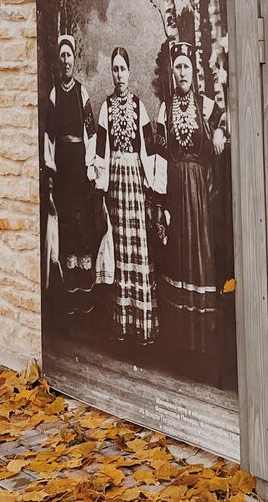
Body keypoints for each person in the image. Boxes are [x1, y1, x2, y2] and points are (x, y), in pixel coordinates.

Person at [161, 40, 226, 377]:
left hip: (199, 194)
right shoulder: (165, 108)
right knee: (179, 260)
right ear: (172, 73)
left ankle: (205, 352)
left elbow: (225, 120)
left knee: (200, 260)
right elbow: (158, 156)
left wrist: (218, 131)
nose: (182, 72)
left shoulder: (205, 103)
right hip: (175, 193)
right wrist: (162, 205)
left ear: (194, 71)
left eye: (186, 67)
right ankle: (182, 351)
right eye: (178, 68)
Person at [92, 47, 164, 345]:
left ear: (130, 72)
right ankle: (122, 327)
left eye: (123, 69)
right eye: (115, 69)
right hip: (115, 187)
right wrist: (101, 189)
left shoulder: (139, 106)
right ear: (111, 72)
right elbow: (100, 153)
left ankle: (142, 325)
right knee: (119, 250)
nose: (119, 74)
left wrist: (151, 187)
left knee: (138, 248)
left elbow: (149, 150)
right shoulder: (105, 108)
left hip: (135, 182)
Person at [42, 34, 100, 313]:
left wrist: (90, 168)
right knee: (65, 228)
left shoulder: (82, 93)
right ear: (58, 60)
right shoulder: (54, 94)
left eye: (70, 56)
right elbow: (49, 138)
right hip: (63, 171)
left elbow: (91, 134)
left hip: (79, 169)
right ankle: (68, 297)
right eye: (62, 56)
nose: (66, 61)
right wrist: (51, 174)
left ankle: (84, 296)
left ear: (75, 60)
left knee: (81, 228)